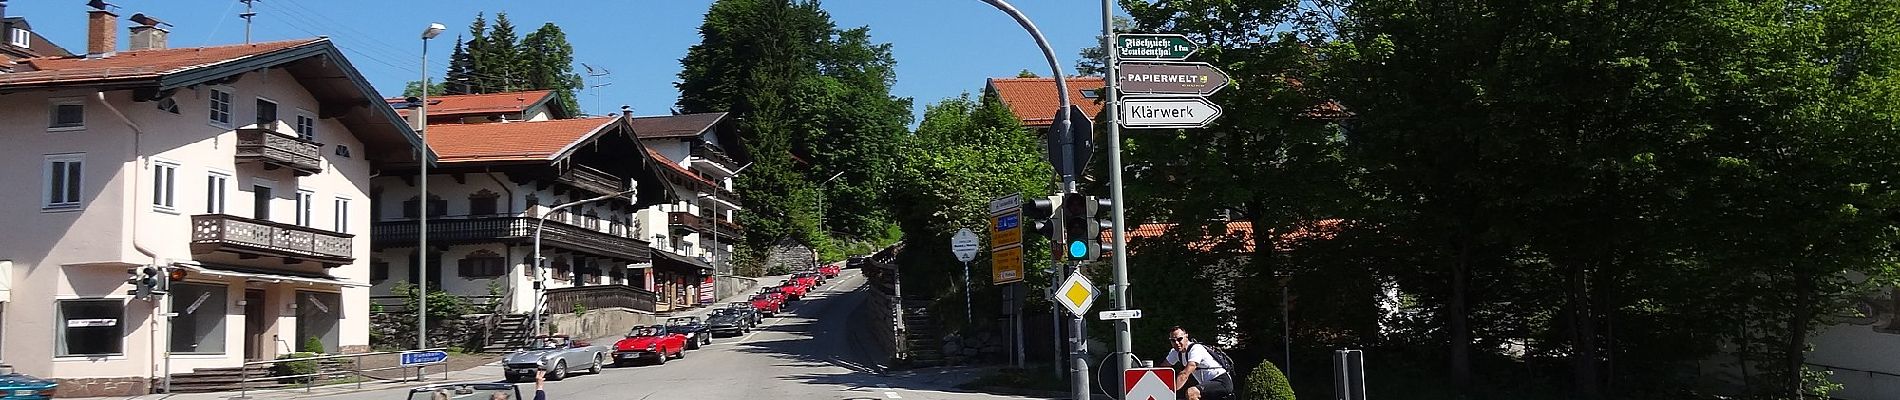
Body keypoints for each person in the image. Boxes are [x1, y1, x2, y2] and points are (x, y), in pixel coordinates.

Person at [1165, 326, 1233, 400]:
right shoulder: (1175, 352)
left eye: (1179, 339)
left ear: (1186, 336)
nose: (1177, 343)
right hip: (1207, 384)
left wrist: (1169, 392)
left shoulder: (1196, 349)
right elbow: (1162, 368)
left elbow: (1184, 375)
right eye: (1173, 340)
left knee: (1191, 392)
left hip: (1221, 381)